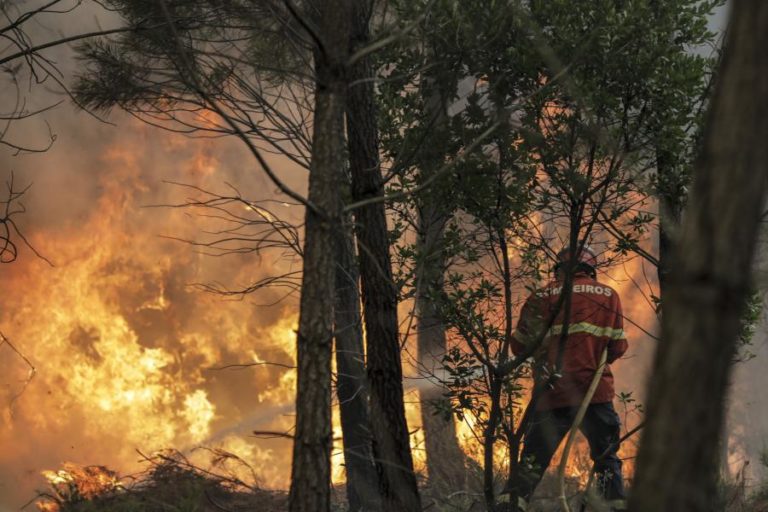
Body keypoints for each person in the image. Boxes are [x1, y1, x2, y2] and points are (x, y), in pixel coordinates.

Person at [508, 245, 628, 509]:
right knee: (606, 458)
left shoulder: (541, 297)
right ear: (590, 270)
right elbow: (618, 347)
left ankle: (512, 505)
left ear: (558, 270)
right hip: (594, 393)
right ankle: (613, 506)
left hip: (552, 394)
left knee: (531, 462)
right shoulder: (608, 295)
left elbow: (519, 347)